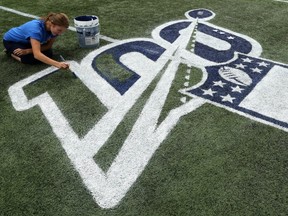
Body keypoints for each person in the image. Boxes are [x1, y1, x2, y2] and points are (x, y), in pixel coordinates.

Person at [2, 12, 70, 69]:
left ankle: (20, 51)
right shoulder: (36, 30)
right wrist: (57, 64)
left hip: (27, 41)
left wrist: (28, 51)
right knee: (31, 59)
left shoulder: (54, 30)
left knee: (49, 53)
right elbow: (37, 55)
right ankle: (10, 52)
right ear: (52, 24)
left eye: (62, 31)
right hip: (11, 41)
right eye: (59, 30)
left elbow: (48, 46)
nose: (60, 34)